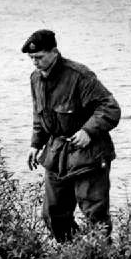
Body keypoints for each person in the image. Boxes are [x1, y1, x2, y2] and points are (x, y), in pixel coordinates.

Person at [22, 29, 121, 242]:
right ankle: (74, 258)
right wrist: (35, 144)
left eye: (39, 57)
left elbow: (110, 107)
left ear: (54, 52)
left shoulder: (79, 76)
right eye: (31, 58)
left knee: (95, 216)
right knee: (53, 215)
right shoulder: (35, 79)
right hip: (56, 154)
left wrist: (88, 131)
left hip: (89, 155)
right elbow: (39, 115)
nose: (35, 62)